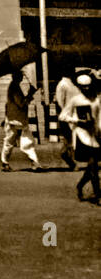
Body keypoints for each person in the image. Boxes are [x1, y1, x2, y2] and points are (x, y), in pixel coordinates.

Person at [61, 73, 100, 202]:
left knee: (92, 166)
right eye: (83, 87)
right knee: (93, 164)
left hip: (95, 134)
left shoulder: (96, 99)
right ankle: (97, 194)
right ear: (79, 87)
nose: (86, 89)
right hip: (82, 135)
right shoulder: (75, 100)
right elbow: (63, 116)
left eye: (88, 86)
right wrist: (77, 120)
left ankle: (80, 185)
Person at [1, 72, 42, 172]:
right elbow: (21, 103)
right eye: (20, 76)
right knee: (23, 140)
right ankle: (33, 162)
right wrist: (30, 94)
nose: (22, 78)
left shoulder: (14, 87)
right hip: (16, 119)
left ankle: (6, 162)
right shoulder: (14, 88)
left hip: (15, 118)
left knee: (13, 140)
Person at [55, 72, 82, 170]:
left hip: (75, 114)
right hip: (67, 116)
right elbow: (60, 101)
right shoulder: (63, 84)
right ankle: (69, 159)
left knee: (73, 139)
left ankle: (72, 161)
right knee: (69, 140)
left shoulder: (73, 83)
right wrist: (64, 114)